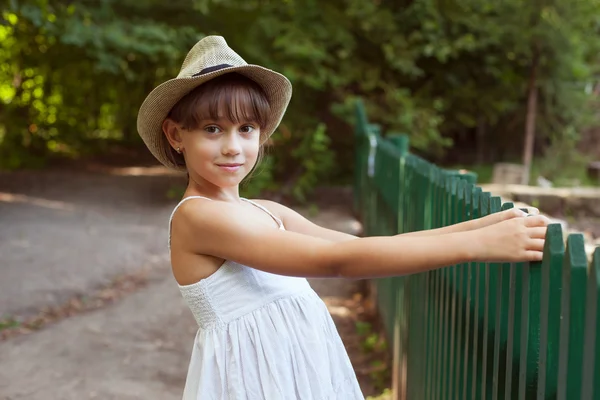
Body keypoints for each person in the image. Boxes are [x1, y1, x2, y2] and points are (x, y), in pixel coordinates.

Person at [136, 36, 548, 400]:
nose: (233, 146)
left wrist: (484, 226)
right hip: (251, 383)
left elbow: (353, 246)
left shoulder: (267, 211)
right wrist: (475, 247)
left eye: (246, 128)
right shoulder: (198, 219)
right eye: (212, 129)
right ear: (176, 135)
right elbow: (336, 263)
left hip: (299, 375)